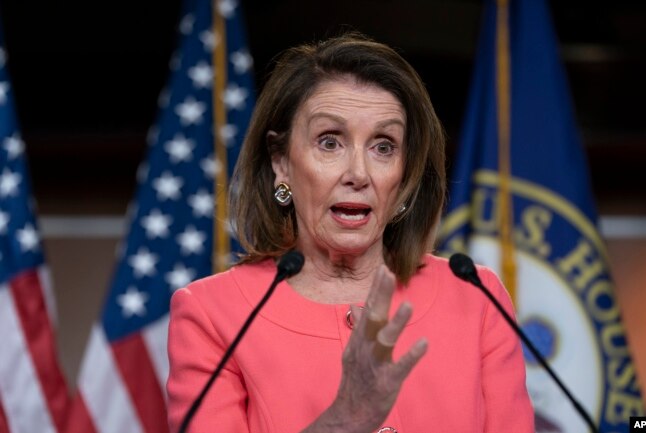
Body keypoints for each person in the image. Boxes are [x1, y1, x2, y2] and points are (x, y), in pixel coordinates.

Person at [167, 33, 534, 433]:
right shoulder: (212, 314)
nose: (358, 174)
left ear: (406, 175)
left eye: (383, 146)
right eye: (330, 142)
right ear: (281, 163)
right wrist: (343, 422)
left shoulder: (475, 299)